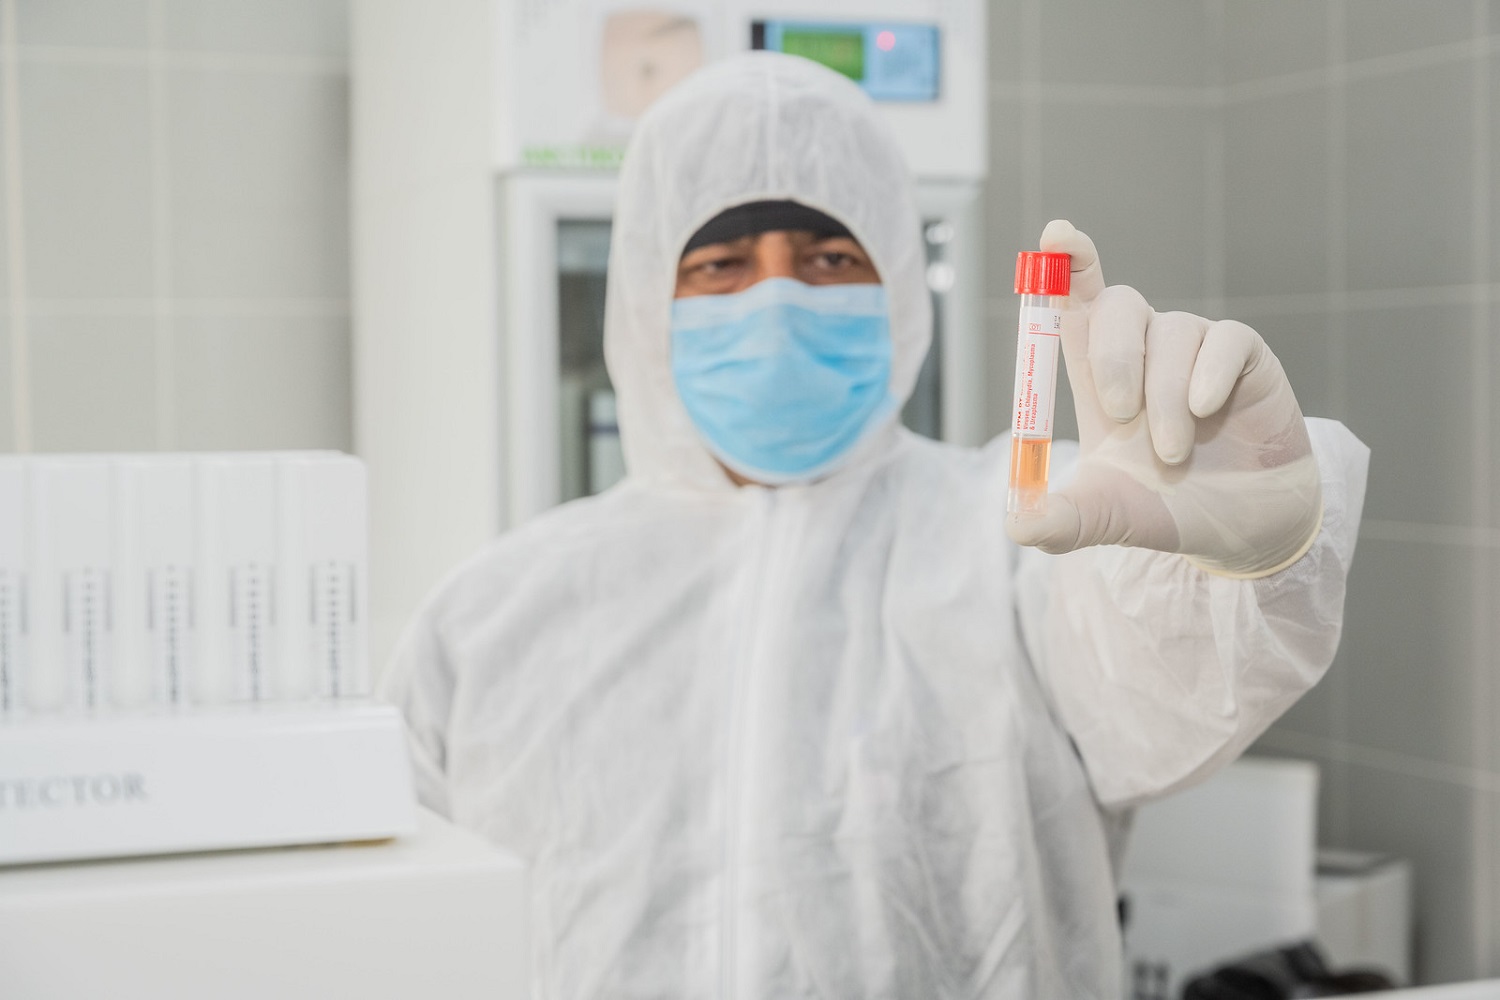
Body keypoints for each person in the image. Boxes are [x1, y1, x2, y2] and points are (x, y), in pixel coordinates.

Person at [381, 52, 1369, 998]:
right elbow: (391, 926)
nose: (777, 299)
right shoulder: (494, 617)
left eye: (828, 256)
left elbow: (1159, 684)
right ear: (647, 301)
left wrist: (1243, 558)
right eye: (721, 263)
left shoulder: (1025, 535)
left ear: (897, 285)